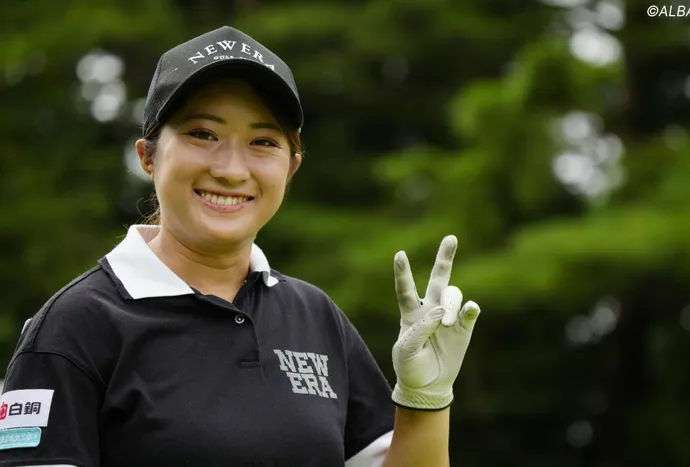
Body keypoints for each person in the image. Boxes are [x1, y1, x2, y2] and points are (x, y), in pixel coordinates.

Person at [0, 26, 481, 467]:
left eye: (263, 141)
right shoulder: (74, 327)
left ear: (291, 168)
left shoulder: (315, 317)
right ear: (148, 156)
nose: (231, 169)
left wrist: (424, 400)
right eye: (203, 134)